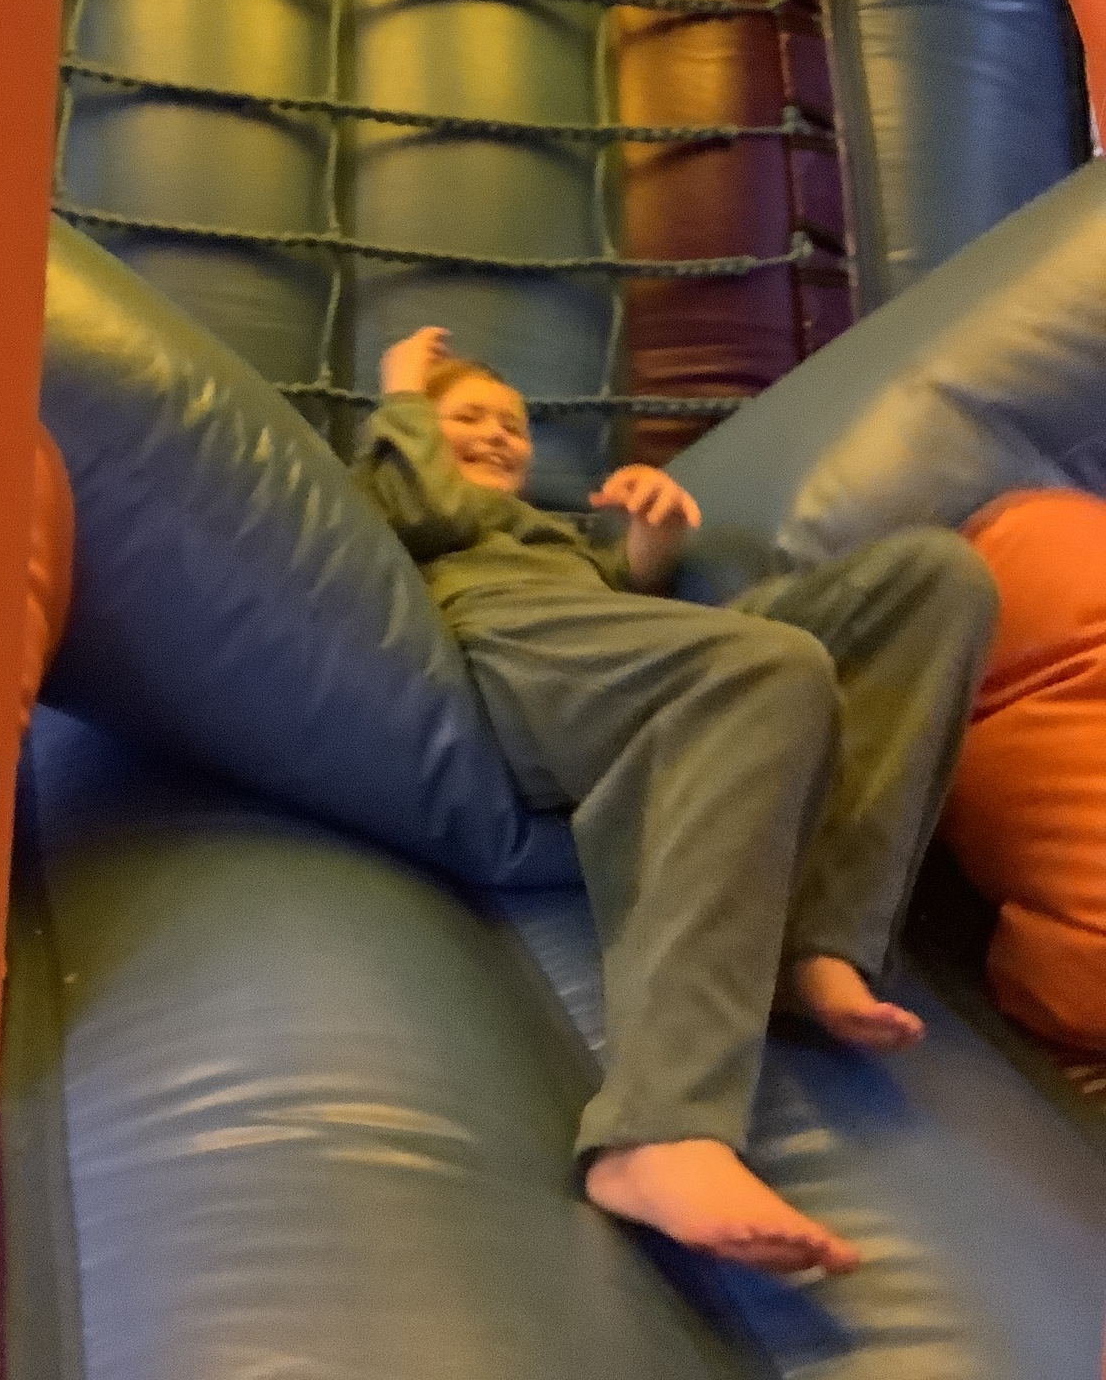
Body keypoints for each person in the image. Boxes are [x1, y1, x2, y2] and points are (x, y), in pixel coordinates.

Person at [352, 326, 999, 1278]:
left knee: (936, 578)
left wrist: (651, 539)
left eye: (514, 426)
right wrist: (402, 389)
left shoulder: (550, 530)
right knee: (768, 666)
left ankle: (819, 940)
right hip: (516, 647)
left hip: (626, 640)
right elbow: (416, 507)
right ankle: (659, 1133)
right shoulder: (400, 495)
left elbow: (625, 600)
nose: (498, 435)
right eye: (470, 417)